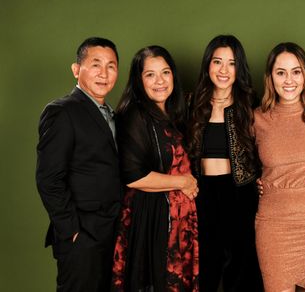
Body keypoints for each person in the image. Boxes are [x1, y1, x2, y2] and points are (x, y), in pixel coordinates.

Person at [36, 37, 122, 291]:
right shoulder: (62, 111)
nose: (104, 73)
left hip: (111, 234)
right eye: (96, 64)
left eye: (111, 66)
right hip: (82, 237)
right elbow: (49, 178)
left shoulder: (111, 114)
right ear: (77, 70)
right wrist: (72, 231)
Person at [111, 45, 199, 292]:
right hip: (150, 220)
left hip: (180, 223)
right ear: (139, 80)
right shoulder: (134, 115)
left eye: (166, 72)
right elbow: (133, 176)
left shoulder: (176, 112)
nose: (160, 81)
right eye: (150, 74)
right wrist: (183, 182)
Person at [187, 34, 263, 291]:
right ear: (208, 64)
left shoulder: (250, 104)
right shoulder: (191, 104)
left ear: (238, 68)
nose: (223, 70)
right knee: (206, 264)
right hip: (202, 193)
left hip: (240, 191)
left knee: (242, 265)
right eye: (217, 61)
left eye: (231, 63)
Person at [253, 42, 305, 292]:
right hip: (274, 226)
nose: (289, 80)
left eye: (296, 71)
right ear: (270, 77)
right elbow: (235, 161)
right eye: (280, 72)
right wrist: (252, 181)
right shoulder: (257, 118)